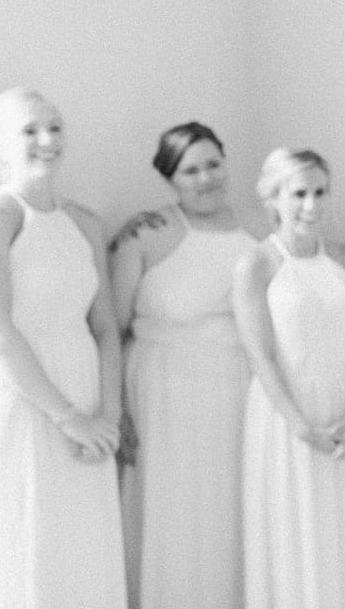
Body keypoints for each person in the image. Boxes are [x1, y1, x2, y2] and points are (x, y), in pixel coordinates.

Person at [0, 87, 127, 609]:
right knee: (34, 540)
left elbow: (105, 325)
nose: (47, 140)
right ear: (0, 145)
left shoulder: (85, 222)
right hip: (30, 397)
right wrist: (68, 418)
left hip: (88, 393)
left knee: (87, 545)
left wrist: (109, 415)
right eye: (31, 130)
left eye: (56, 127)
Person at [234, 148, 345, 609]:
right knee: (296, 528)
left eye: (319, 192)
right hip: (285, 416)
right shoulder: (257, 264)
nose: (311, 205)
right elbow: (260, 354)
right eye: (299, 193)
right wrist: (300, 425)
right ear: (274, 198)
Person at [111, 122, 255, 609]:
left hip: (237, 384)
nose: (206, 177)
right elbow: (113, 327)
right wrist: (117, 411)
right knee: (174, 506)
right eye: (190, 169)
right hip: (164, 385)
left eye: (213, 164)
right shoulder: (144, 233)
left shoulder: (253, 227)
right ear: (170, 178)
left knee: (228, 506)